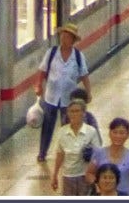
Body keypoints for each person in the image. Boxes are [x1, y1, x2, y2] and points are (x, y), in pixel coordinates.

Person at [36, 23, 91, 162]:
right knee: (47, 126)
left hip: (69, 99)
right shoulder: (52, 53)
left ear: (73, 40)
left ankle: (66, 152)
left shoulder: (78, 56)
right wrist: (39, 85)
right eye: (62, 36)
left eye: (67, 37)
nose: (63, 39)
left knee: (67, 127)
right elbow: (42, 70)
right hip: (51, 97)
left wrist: (88, 92)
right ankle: (42, 153)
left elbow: (84, 75)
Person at [50, 98, 101, 195]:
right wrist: (55, 174)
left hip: (85, 176)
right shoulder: (62, 132)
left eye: (77, 111)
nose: (74, 114)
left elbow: (98, 156)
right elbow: (60, 154)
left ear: (83, 113)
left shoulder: (91, 132)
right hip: (68, 177)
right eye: (71, 111)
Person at [86, 117, 129, 196]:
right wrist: (98, 185)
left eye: (122, 133)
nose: (118, 136)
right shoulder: (99, 153)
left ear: (127, 135)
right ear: (109, 133)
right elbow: (89, 173)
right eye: (115, 132)